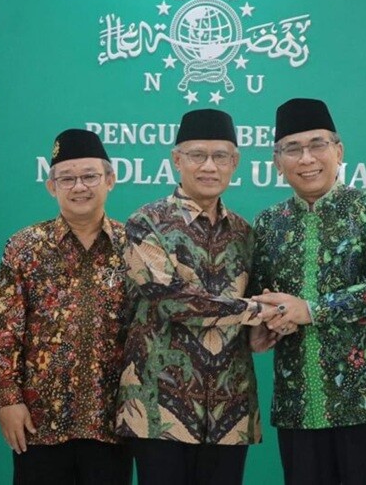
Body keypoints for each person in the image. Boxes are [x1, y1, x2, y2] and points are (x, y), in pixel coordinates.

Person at [250, 98, 366, 484]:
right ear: (277, 162)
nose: (306, 158)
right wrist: (267, 324)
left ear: (339, 151)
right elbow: (262, 295)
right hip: (297, 403)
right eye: (293, 148)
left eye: (317, 145)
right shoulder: (269, 223)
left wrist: (311, 310)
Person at [115, 109, 280, 485]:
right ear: (177, 160)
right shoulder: (146, 223)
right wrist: (255, 310)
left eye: (220, 156)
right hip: (159, 408)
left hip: (229, 411)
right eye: (197, 155)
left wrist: (264, 328)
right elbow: (172, 300)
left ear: (235, 162)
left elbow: (257, 313)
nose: (209, 166)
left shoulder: (245, 234)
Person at [0, 129, 132, 484]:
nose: (79, 187)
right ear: (52, 186)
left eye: (89, 176)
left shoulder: (134, 247)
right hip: (38, 425)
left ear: (110, 180)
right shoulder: (25, 247)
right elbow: (3, 329)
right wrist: (9, 398)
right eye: (67, 178)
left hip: (112, 424)